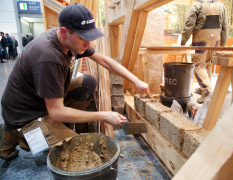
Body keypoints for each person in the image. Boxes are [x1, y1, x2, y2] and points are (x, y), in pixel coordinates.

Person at [0, 3, 152, 160]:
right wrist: (103, 115)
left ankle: (59, 128)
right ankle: (18, 134)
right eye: (83, 39)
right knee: (84, 153)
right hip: (26, 113)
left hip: (41, 99)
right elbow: (56, 112)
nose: (88, 45)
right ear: (64, 32)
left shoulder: (68, 40)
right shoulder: (48, 57)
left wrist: (136, 80)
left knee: (87, 83)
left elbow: (105, 61)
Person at [181, 0, 228, 103]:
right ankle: (205, 87)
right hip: (214, 39)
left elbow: (189, 23)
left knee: (198, 64)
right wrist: (223, 43)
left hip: (201, 38)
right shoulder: (221, 5)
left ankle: (207, 92)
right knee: (207, 63)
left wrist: (183, 40)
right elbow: (225, 25)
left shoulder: (197, 5)